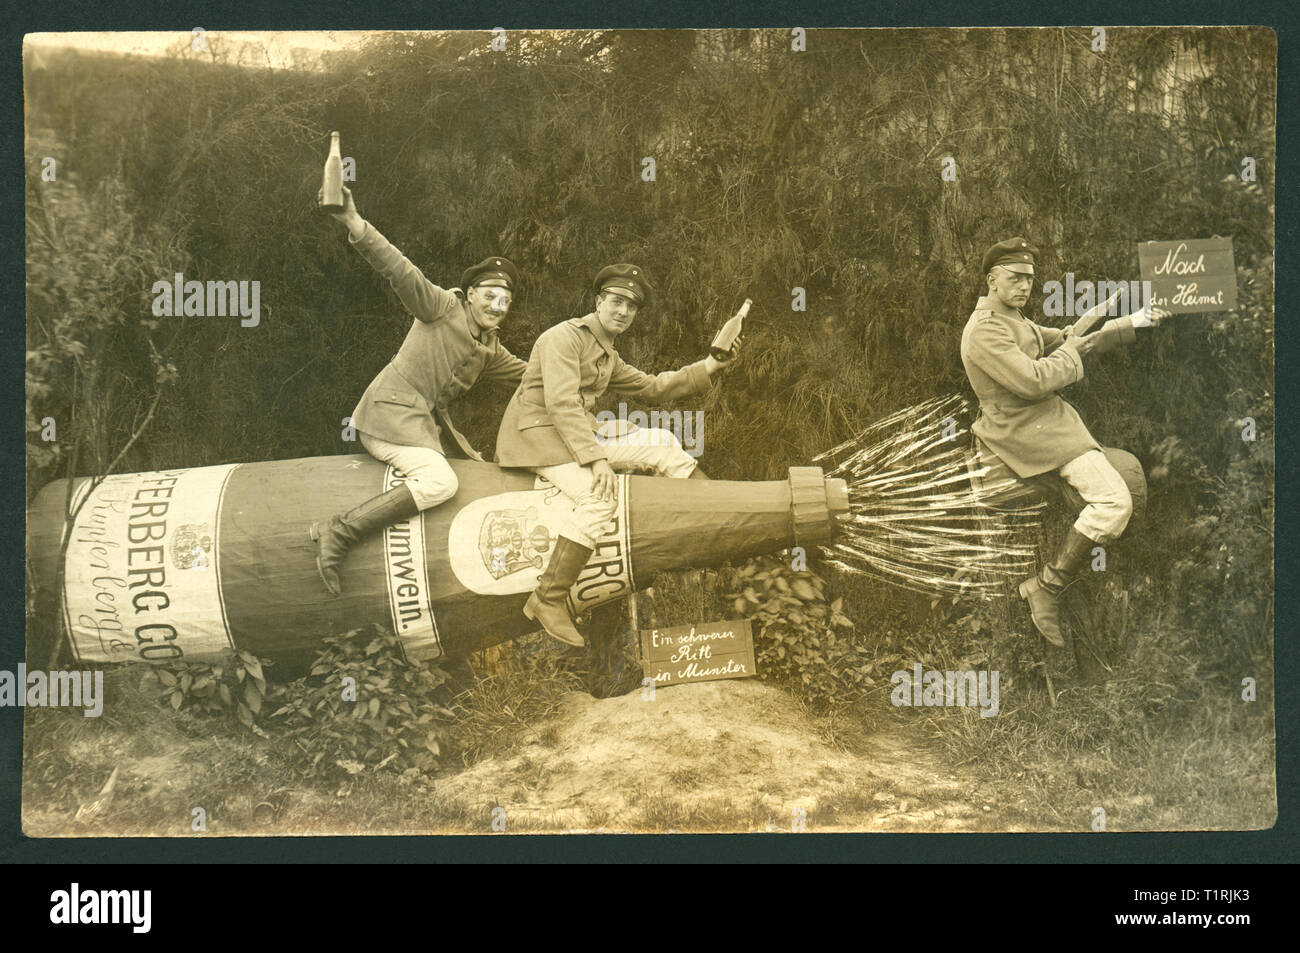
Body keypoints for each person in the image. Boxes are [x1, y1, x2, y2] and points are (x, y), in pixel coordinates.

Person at [495, 264, 742, 647]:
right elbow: (560, 404)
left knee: (659, 441)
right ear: (598, 302)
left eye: (631, 306)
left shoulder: (607, 355)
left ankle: (720, 510)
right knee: (598, 498)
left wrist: (711, 365)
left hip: (572, 436)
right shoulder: (565, 337)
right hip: (537, 438)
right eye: (616, 301)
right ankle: (548, 598)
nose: (623, 311)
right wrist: (596, 459)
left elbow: (653, 388)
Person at [311, 185, 527, 596]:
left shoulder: (491, 349)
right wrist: (354, 222)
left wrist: (584, 368)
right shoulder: (441, 307)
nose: (498, 306)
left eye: (505, 301)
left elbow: (535, 374)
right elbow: (399, 268)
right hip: (385, 417)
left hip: (417, 425)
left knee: (471, 471)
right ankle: (338, 532)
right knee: (440, 483)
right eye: (490, 296)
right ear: (472, 295)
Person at [960, 237, 1167, 645]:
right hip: (1022, 435)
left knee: (1114, 488)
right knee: (1115, 501)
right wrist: (1071, 348)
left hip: (1046, 427)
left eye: (1029, 280)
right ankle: (1046, 587)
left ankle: (1049, 587)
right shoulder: (984, 331)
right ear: (992, 279)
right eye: (1014, 278)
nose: (1024, 287)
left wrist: (1134, 321)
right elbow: (1036, 380)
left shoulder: (1014, 319)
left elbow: (1070, 339)